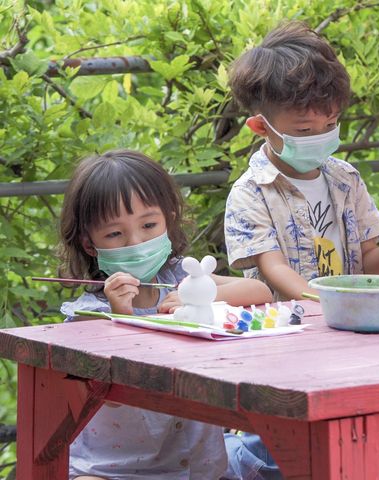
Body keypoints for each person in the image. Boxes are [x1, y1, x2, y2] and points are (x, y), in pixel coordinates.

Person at [58, 149, 273, 479]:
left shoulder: (181, 278)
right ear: (90, 244)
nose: (136, 240)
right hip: (116, 471)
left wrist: (202, 295)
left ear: (168, 220)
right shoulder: (90, 315)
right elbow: (109, 397)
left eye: (148, 224)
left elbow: (260, 292)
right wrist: (122, 314)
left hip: (200, 470)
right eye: (115, 233)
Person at [224, 21, 379, 302]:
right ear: (261, 127)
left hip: (350, 318)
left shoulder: (346, 179)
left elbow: (365, 267)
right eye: (304, 130)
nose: (319, 136)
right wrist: (330, 301)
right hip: (291, 329)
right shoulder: (251, 193)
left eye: (330, 124)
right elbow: (273, 268)